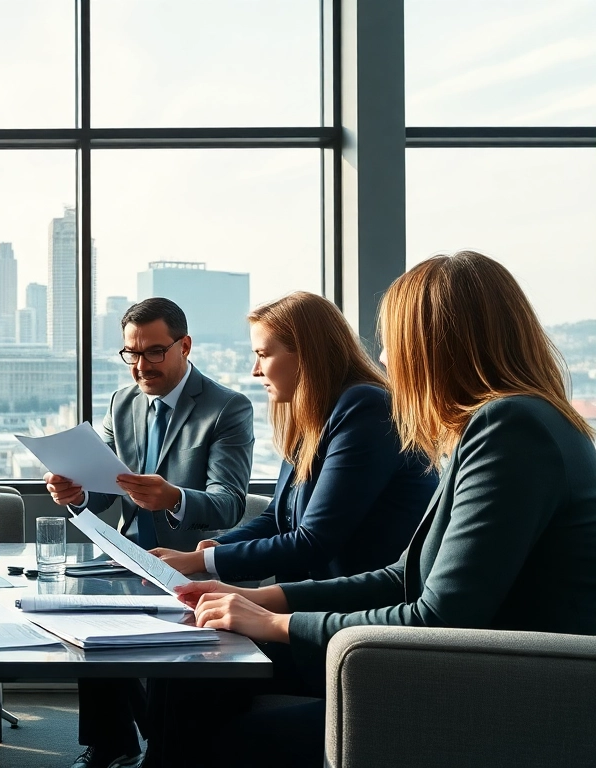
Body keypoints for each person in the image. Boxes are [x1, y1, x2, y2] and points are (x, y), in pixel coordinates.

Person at [177, 252, 596, 767]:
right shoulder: (507, 424)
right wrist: (260, 597)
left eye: (395, 342)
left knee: (225, 738)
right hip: (474, 667)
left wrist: (274, 623)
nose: (388, 359)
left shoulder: (511, 430)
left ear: (435, 347)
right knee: (193, 678)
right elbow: (406, 577)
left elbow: (439, 616)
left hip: (502, 692)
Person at [42, 297, 254, 768]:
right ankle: (111, 743)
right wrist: (73, 492)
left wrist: (174, 497)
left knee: (155, 652)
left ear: (185, 345)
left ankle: (158, 748)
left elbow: (230, 503)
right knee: (82, 617)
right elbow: (101, 492)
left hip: (185, 561)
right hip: (124, 552)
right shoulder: (123, 403)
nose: (141, 366)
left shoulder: (226, 408)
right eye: (131, 354)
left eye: (154, 352)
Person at [150, 291, 437, 584]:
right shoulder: (316, 417)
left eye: (263, 354)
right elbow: (278, 518)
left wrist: (201, 561)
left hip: (361, 612)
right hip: (319, 600)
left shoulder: (365, 408)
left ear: (305, 354)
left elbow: (314, 542)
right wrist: (217, 549)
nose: (255, 370)